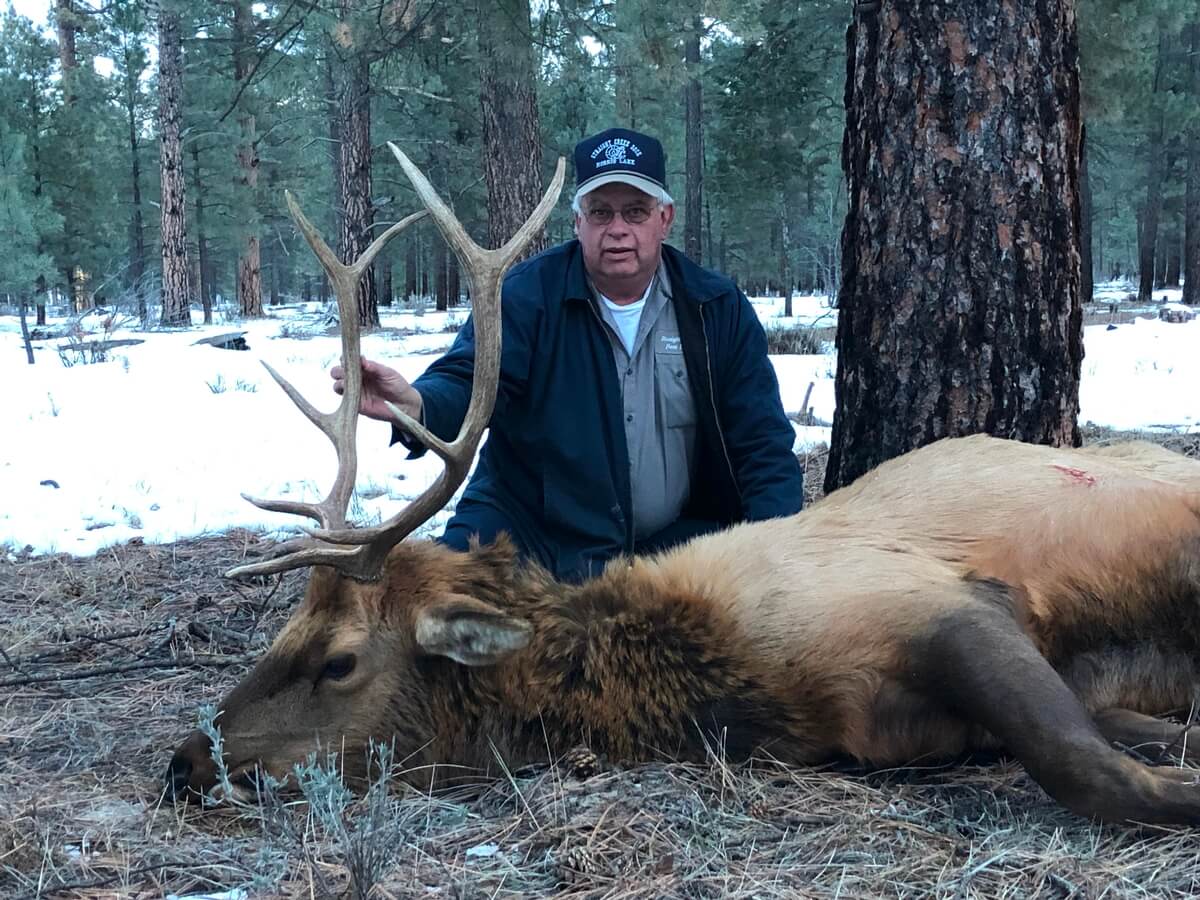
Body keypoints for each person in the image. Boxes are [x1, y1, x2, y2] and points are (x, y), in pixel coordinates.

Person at [332, 127, 803, 582]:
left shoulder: (714, 308)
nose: (617, 230)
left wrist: (774, 555)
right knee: (441, 601)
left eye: (635, 212)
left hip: (679, 547)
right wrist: (416, 405)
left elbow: (761, 444)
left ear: (665, 219)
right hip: (536, 539)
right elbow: (469, 379)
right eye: (600, 213)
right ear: (578, 222)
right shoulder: (526, 297)